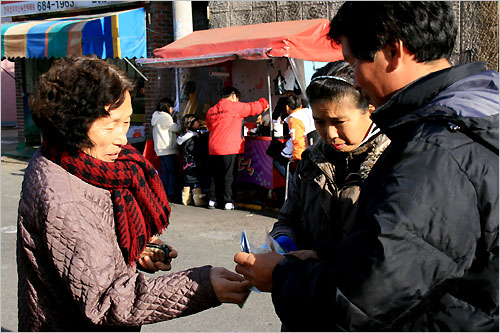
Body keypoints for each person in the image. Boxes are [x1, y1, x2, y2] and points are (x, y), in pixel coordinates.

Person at [234, 2, 498, 331]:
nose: (356, 80)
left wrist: (280, 273)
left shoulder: (435, 149)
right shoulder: (475, 116)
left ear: (393, 51)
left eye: (354, 61)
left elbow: (364, 296)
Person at [18, 55, 251, 332]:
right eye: (110, 125)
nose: (122, 138)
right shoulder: (64, 195)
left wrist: (136, 245)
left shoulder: (88, 164)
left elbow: (96, 242)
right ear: (73, 124)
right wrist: (202, 285)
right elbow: (108, 300)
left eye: (126, 123)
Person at [270, 60, 390, 258]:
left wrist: (322, 258)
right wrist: (282, 238)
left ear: (370, 111)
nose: (330, 133)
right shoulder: (311, 162)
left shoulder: (391, 163)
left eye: (338, 122)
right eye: (319, 122)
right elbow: (288, 219)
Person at [205, 86, 269, 210]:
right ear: (234, 96)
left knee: (215, 175)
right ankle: (227, 201)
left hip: (213, 146)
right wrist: (264, 102)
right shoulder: (236, 107)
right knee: (229, 175)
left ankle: (212, 200)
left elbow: (208, 126)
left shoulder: (212, 110)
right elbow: (254, 108)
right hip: (229, 147)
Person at [272, 93, 315, 179]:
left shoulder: (294, 118)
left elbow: (298, 139)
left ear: (287, 107)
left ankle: (294, 184)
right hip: (313, 147)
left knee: (277, 161)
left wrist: (297, 157)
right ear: (301, 104)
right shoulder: (309, 112)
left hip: (304, 151)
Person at [151, 97, 181, 202]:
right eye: (172, 107)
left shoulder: (156, 116)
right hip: (167, 148)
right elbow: (176, 128)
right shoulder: (165, 117)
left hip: (160, 149)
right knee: (172, 171)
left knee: (165, 171)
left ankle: (163, 192)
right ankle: (170, 193)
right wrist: (179, 122)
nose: (172, 110)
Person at [176, 114, 208, 207]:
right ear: (191, 124)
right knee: (196, 180)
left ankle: (186, 199)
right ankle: (198, 199)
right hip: (194, 162)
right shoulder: (192, 138)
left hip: (187, 162)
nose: (199, 123)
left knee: (187, 181)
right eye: (197, 122)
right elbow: (194, 150)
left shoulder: (184, 137)